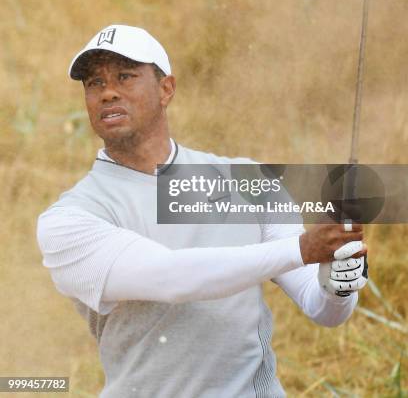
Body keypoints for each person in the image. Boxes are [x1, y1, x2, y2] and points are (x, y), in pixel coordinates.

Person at [36, 24, 368, 398]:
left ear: (166, 90)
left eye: (125, 76)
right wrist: (303, 250)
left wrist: (336, 283)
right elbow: (170, 277)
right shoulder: (69, 220)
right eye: (94, 83)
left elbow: (321, 308)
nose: (108, 91)